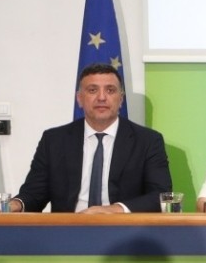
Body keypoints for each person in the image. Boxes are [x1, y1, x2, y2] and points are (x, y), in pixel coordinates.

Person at [11, 63, 171, 213]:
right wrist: (13, 205)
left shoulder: (147, 141)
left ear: (121, 99)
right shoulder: (54, 140)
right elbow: (34, 193)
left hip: (123, 228)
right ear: (79, 99)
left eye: (110, 90)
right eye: (93, 90)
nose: (102, 97)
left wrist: (114, 210)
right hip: (68, 228)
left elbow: (161, 195)